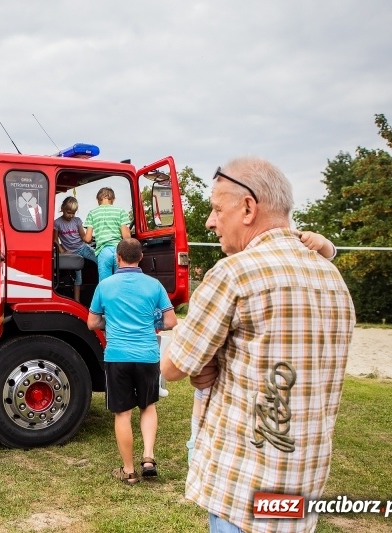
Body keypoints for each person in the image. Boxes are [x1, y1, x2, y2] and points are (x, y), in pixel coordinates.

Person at [161, 157, 355, 533]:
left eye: (217, 209)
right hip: (302, 483)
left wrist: (204, 360)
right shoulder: (332, 277)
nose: (210, 221)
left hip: (243, 490)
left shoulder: (234, 273)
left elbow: (172, 366)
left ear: (248, 207)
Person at [183, 230, 337, 465]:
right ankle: (197, 446)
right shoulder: (240, 276)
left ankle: (200, 446)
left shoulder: (288, 275)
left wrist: (325, 244)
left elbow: (324, 257)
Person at [87, 238, 177, 485]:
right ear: (141, 258)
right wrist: (152, 323)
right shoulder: (154, 285)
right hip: (148, 355)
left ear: (117, 258)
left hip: (117, 356)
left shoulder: (105, 286)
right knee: (147, 406)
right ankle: (148, 457)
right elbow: (170, 322)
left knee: (123, 413)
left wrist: (111, 322)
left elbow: (92, 322)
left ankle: (128, 471)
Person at [53, 196, 97, 302]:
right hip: (72, 254)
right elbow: (55, 240)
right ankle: (77, 302)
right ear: (62, 208)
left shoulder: (77, 221)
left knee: (99, 262)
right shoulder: (57, 223)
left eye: (73, 213)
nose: (71, 215)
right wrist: (62, 251)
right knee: (78, 278)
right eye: (69, 212)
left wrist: (90, 239)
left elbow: (83, 236)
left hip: (83, 248)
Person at [83, 187, 132, 282]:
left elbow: (88, 239)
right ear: (113, 199)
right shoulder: (120, 211)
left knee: (105, 284)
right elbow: (126, 237)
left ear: (98, 200)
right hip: (119, 251)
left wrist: (81, 236)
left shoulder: (92, 213)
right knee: (120, 281)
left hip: (103, 252)